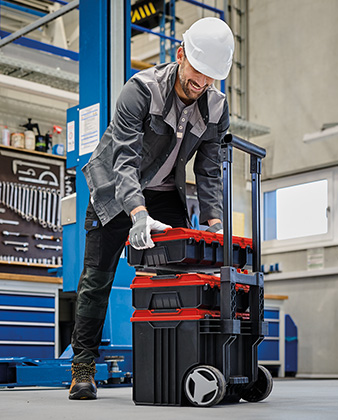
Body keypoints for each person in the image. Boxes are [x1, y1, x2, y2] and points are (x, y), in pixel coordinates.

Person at [68, 17, 235, 400]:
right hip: (114, 189)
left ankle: (176, 363)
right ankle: (83, 368)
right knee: (97, 280)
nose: (201, 82)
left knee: (180, 276)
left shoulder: (216, 107)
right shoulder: (141, 90)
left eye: (211, 76)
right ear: (180, 55)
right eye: (197, 70)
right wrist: (137, 213)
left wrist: (214, 221)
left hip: (164, 193)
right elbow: (124, 160)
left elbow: (208, 170)